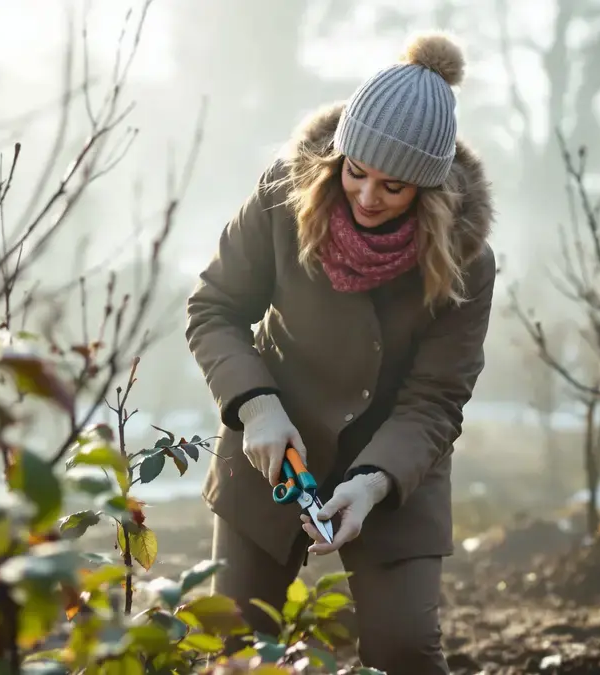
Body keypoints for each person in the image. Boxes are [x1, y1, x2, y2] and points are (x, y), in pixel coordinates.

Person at [184, 31, 495, 674]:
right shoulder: (280, 198)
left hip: (393, 470)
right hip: (275, 455)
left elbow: (437, 398)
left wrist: (373, 482)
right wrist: (256, 406)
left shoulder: (467, 261)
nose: (367, 196)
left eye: (394, 186)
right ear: (338, 155)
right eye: (356, 171)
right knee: (237, 645)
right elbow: (213, 309)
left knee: (404, 650)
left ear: (429, 192)